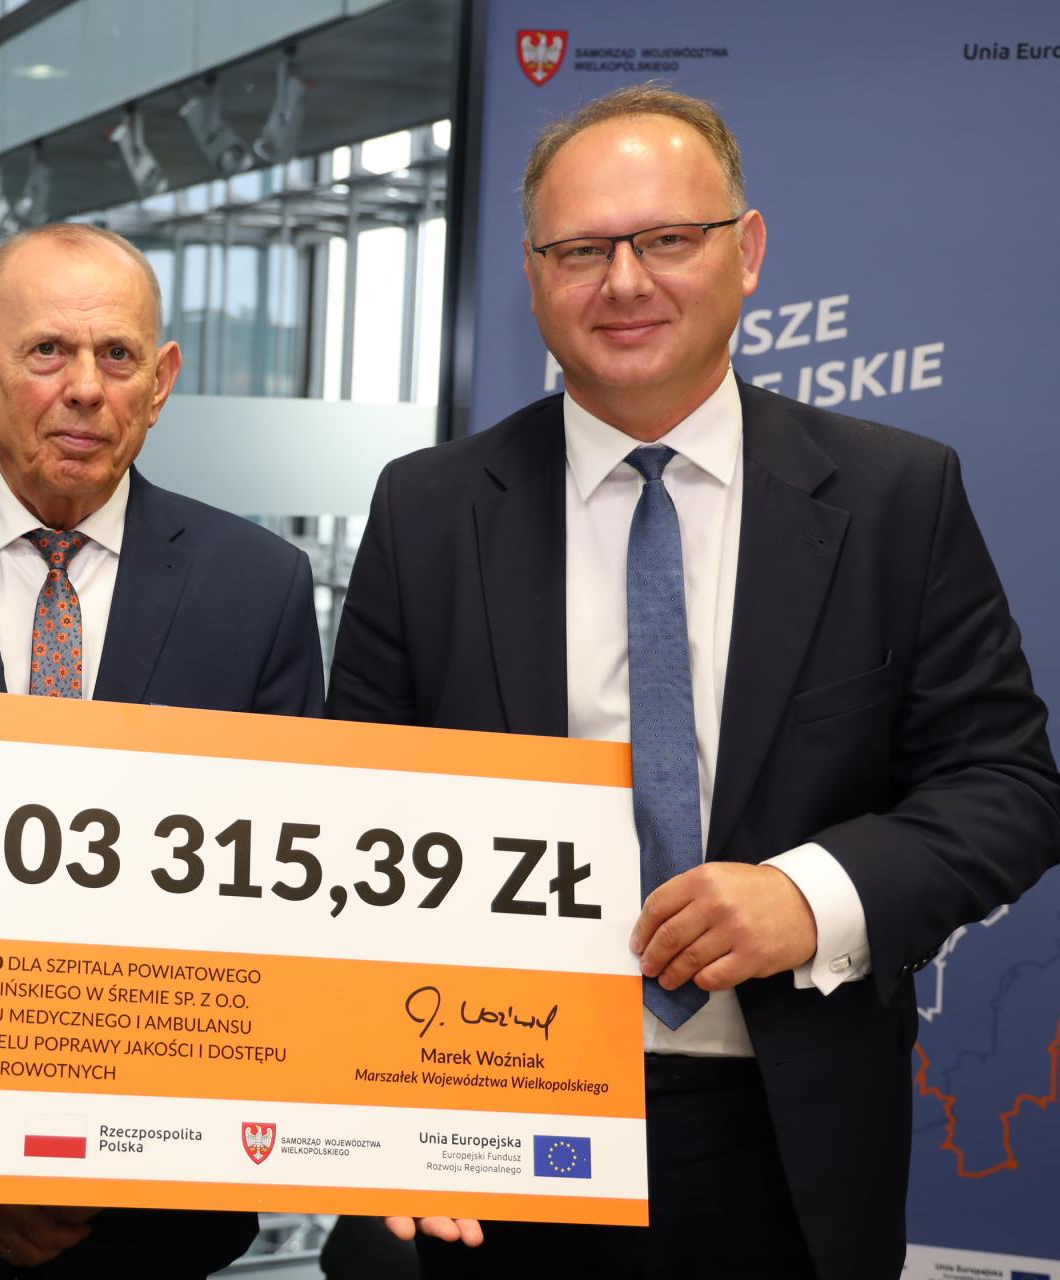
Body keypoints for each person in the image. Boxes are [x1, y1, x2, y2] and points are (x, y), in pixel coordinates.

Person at [327, 85, 1060, 1280]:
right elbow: (354, 822)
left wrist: (810, 896)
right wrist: (386, 1106)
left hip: (787, 1143)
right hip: (492, 1128)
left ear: (748, 251)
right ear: (533, 277)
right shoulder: (428, 509)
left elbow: (1008, 786)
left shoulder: (895, 496)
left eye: (667, 238)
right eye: (581, 250)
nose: (624, 282)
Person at [0, 222, 325, 1277]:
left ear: (161, 381)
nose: (85, 387)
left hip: (158, 1216)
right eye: (47, 350)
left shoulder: (259, 586)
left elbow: (284, 902)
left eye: (117, 354)